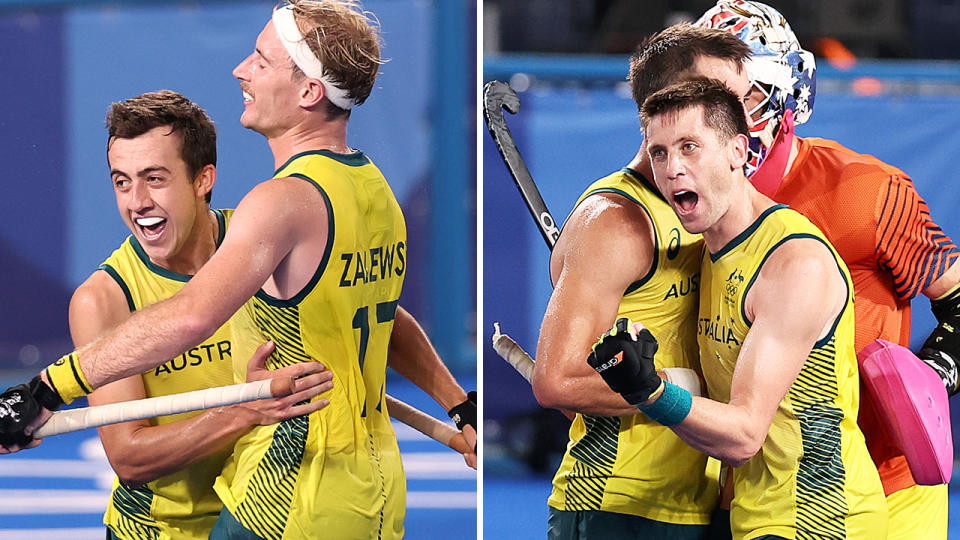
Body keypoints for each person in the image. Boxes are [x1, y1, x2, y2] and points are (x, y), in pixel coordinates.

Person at [0, 1, 477, 538]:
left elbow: (189, 318)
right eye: (121, 180)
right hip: (374, 492)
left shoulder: (276, 209)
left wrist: (45, 389)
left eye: (261, 59)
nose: (240, 70)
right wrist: (463, 406)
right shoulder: (374, 188)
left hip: (285, 497)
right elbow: (374, 314)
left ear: (308, 92)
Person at [697, 2, 960, 536]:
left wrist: (929, 379)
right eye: (706, 95)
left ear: (783, 95)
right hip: (753, 485)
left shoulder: (865, 191)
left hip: (887, 487)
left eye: (741, 93)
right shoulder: (681, 203)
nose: (723, 113)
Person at [591, 77, 888, 539]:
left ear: (737, 151)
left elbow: (745, 435)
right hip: (753, 515)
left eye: (690, 147)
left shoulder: (792, 262)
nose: (672, 168)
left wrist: (649, 391)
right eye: (660, 153)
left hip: (822, 520)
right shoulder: (704, 253)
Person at [72, 90, 333, 539]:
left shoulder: (264, 243)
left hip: (265, 517)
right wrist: (243, 410)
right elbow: (130, 459)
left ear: (202, 179)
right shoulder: (103, 300)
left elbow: (376, 311)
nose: (136, 202)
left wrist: (455, 404)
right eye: (121, 181)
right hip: (161, 530)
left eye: (154, 179)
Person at [530, 25, 751, 539]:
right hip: (618, 505)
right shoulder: (614, 221)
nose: (741, 116)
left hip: (696, 498)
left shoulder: (704, 206)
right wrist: (677, 385)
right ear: (667, 104)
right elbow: (556, 382)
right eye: (723, 98)